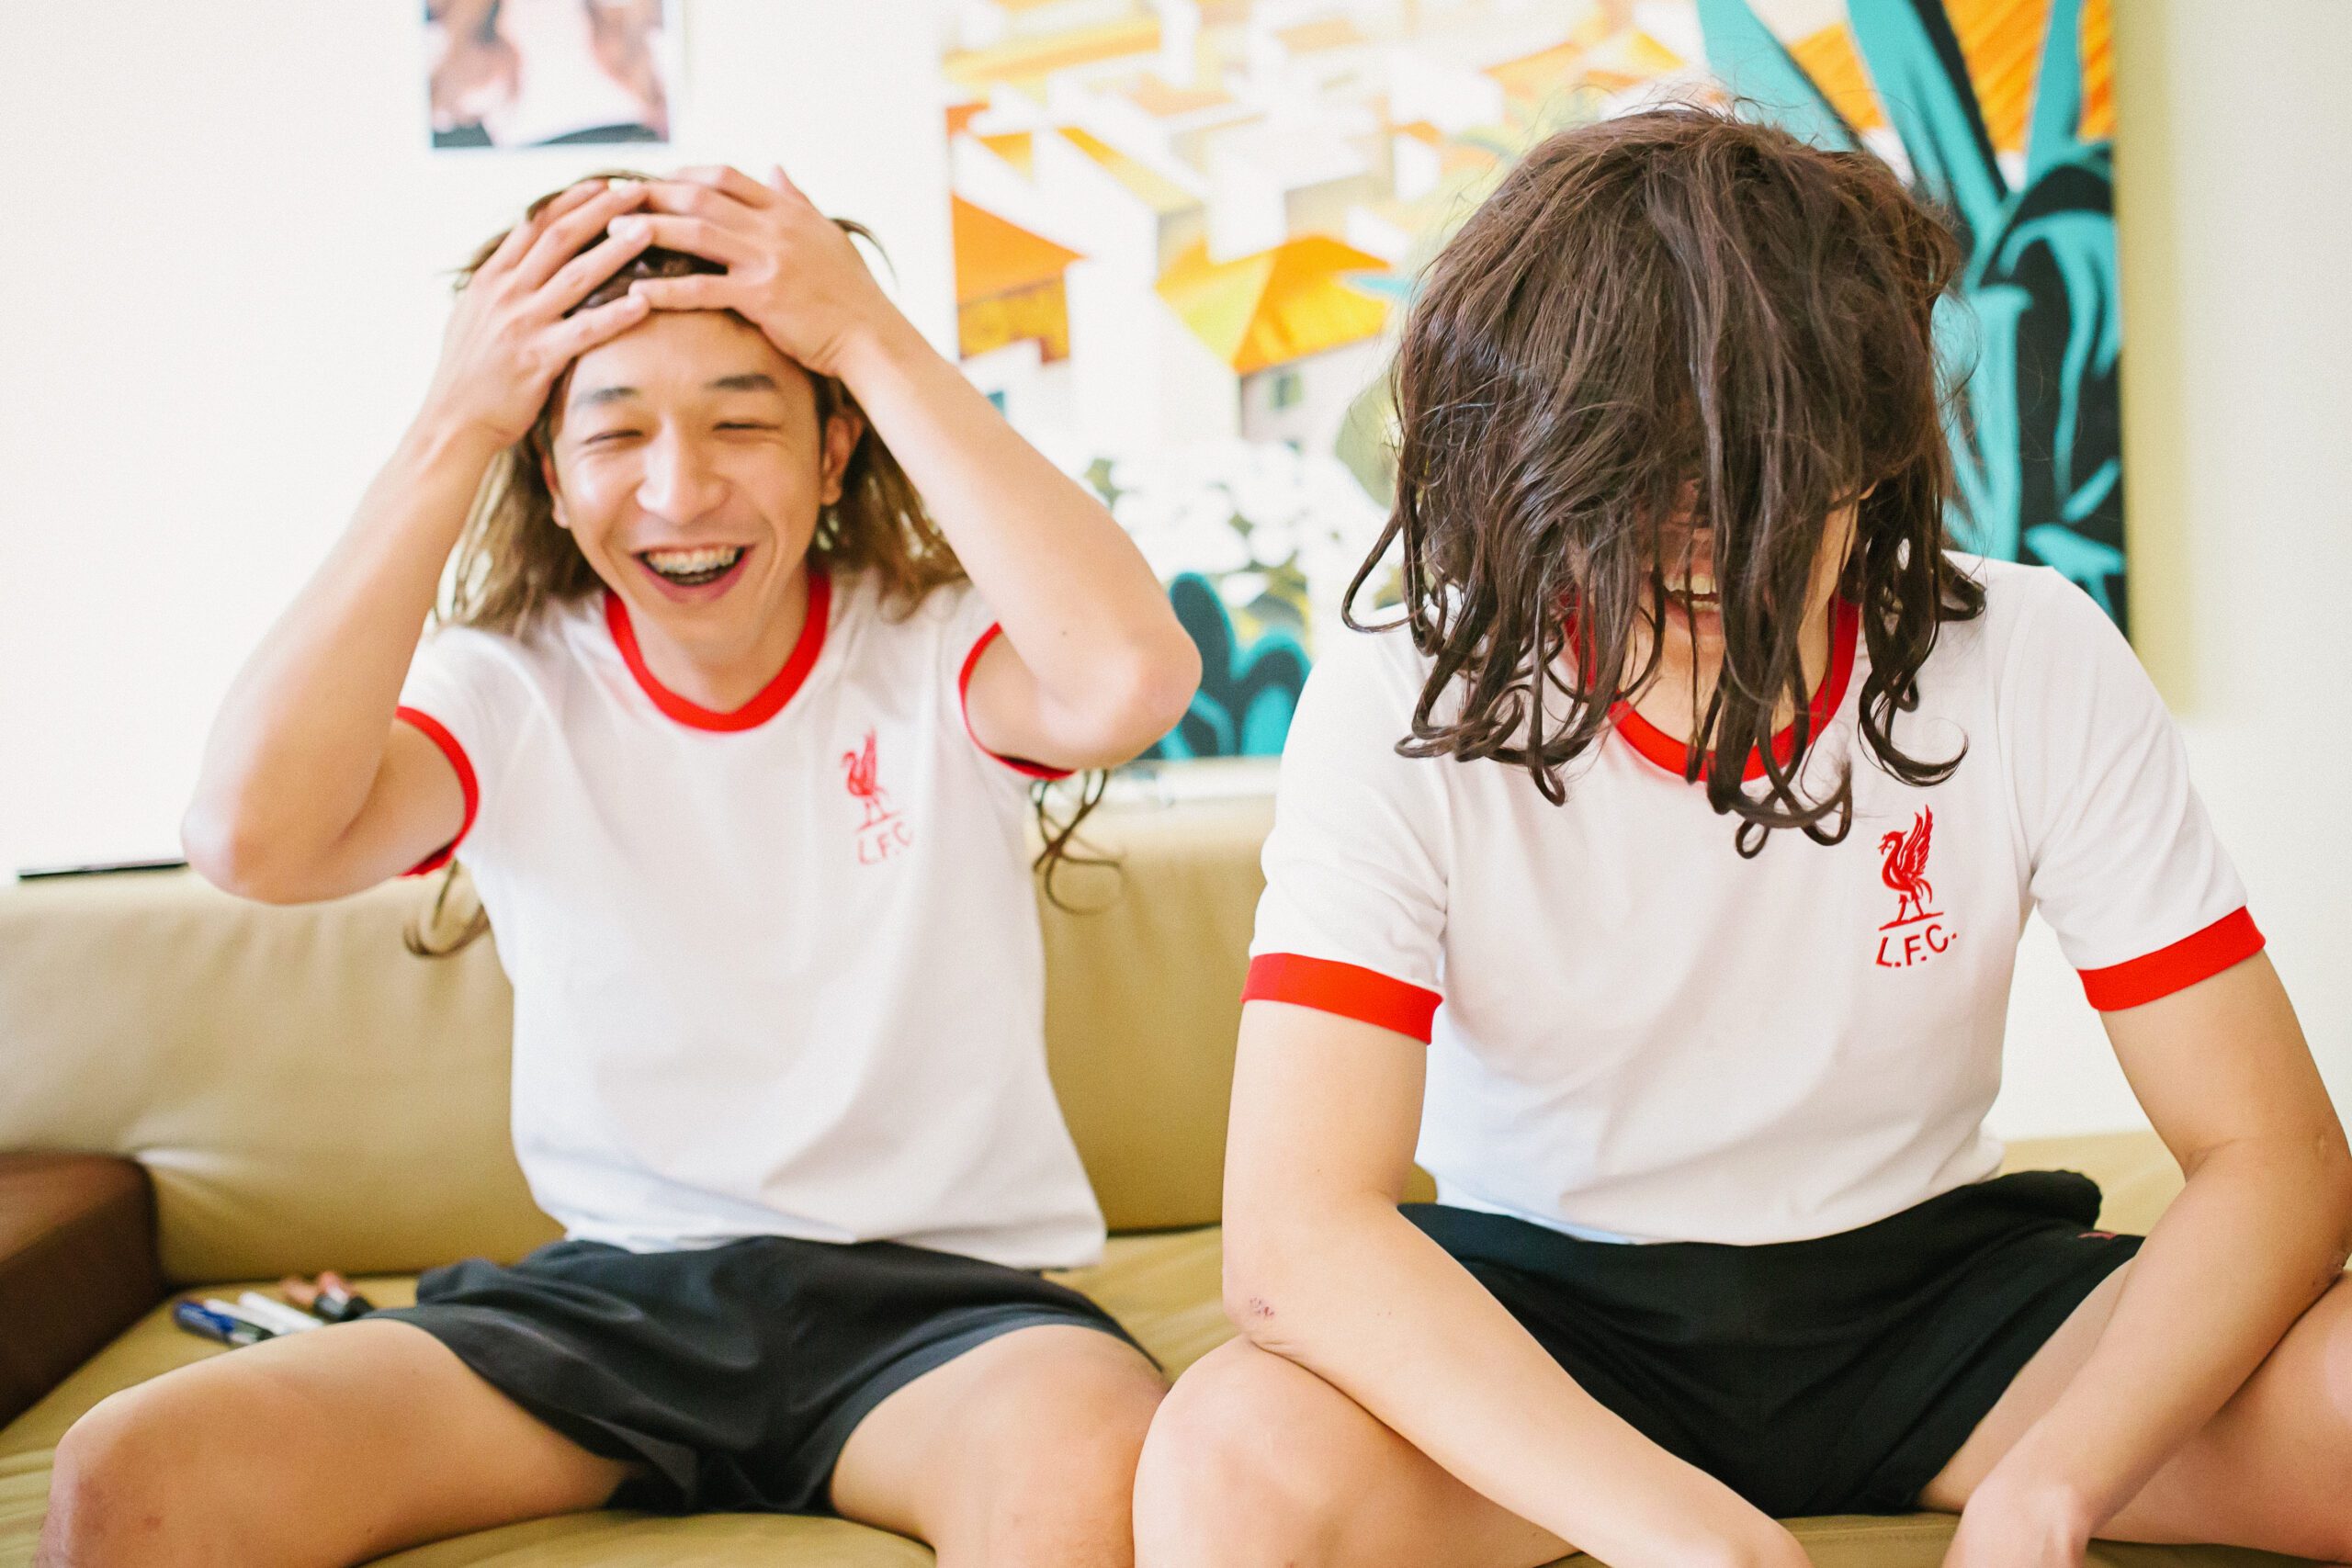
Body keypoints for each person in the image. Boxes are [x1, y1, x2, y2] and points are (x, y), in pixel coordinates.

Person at [1132, 109, 2352, 1568]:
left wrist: (2051, 1492)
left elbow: (2276, 1155)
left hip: (1946, 1313)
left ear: (1868, 443)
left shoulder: (2029, 650)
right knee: (1228, 1469)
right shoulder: (1404, 693)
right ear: (1536, 459)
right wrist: (1698, 1536)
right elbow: (1296, 1241)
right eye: (1640, 467)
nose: (1703, 536)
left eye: (1764, 460)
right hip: (1549, 1327)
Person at [40, 165, 1197, 1568]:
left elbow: (1129, 678)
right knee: (134, 1471)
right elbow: (250, 840)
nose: (679, 489)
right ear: (549, 472)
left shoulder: (936, 648)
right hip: (613, 1308)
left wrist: (865, 333)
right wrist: (458, 416)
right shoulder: (508, 689)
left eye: (742, 422)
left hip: (948, 1316)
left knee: (1090, 1478)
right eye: (614, 432)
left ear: (834, 449)